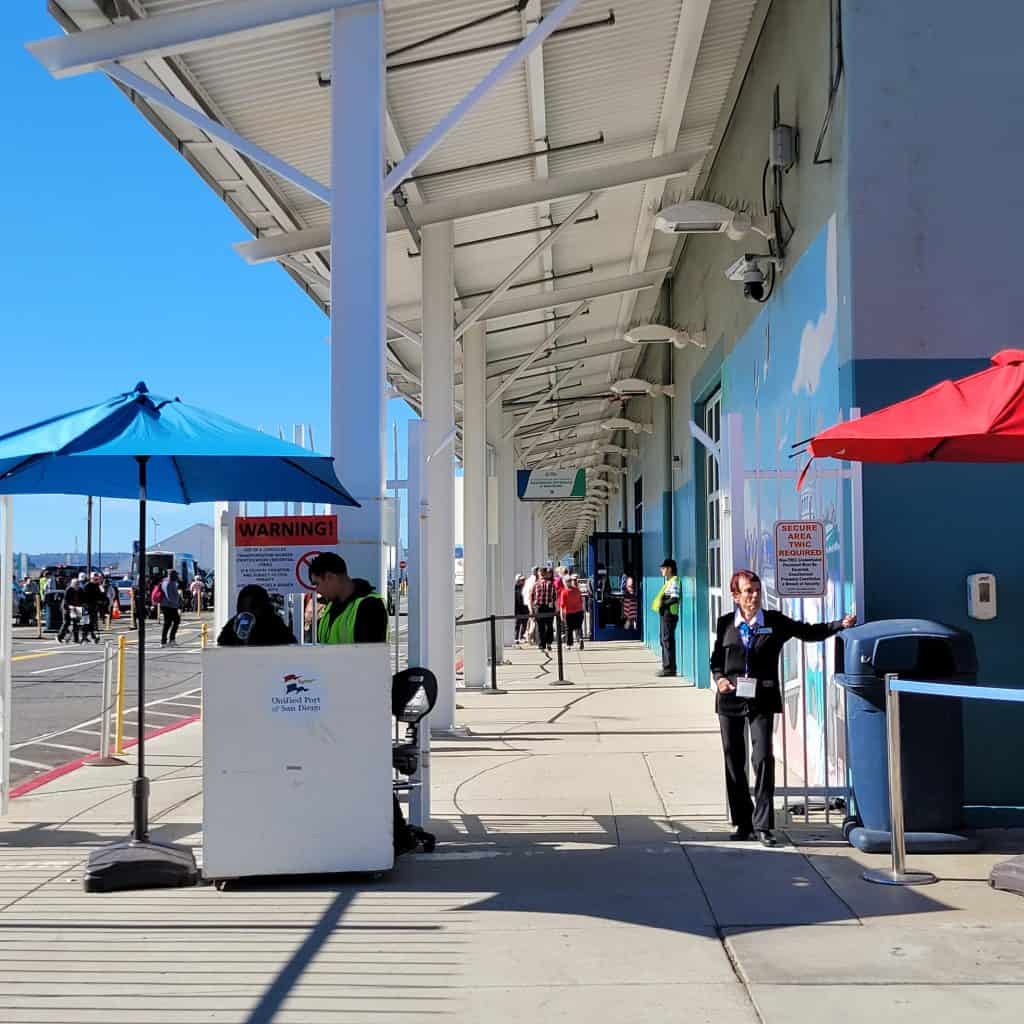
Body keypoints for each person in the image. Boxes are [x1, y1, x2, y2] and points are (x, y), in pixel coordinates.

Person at [712, 569, 856, 847]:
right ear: (735, 596)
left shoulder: (774, 622)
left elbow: (808, 632)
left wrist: (840, 624)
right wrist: (719, 679)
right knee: (733, 760)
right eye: (747, 592)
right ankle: (743, 822)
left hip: (761, 697)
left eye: (756, 590)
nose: (754, 596)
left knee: (763, 756)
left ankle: (763, 825)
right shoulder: (725, 623)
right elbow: (717, 658)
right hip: (730, 699)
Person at [307, 552, 416, 856]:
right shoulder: (329, 610)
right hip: (332, 704)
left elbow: (365, 658)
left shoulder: (368, 605)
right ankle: (363, 830)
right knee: (348, 772)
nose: (317, 591)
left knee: (371, 771)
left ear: (331, 576)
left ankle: (396, 835)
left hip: (362, 704)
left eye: (318, 584)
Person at [217, 584, 296, 646]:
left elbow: (289, 647)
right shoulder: (233, 624)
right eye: (243, 606)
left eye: (253, 606)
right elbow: (222, 646)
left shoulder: (275, 625)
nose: (248, 611)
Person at [651, 558, 680, 677]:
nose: (661, 570)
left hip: (669, 614)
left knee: (667, 641)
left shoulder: (674, 581)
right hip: (665, 614)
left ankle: (669, 669)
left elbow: (675, 598)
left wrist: (663, 604)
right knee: (663, 640)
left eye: (663, 568)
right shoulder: (668, 581)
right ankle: (666, 666)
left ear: (670, 569)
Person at [531, 567, 557, 652]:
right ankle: (549, 643)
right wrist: (555, 608)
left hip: (538, 607)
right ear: (545, 574)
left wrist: (532, 609)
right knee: (549, 625)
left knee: (540, 627)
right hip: (549, 607)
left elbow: (532, 597)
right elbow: (555, 597)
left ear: (539, 574)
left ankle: (541, 645)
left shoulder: (535, 584)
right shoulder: (551, 584)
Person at [558, 574, 586, 650]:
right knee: (578, 627)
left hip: (569, 612)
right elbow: (581, 601)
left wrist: (561, 614)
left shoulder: (564, 592)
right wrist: (583, 610)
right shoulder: (577, 590)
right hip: (579, 611)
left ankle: (569, 644)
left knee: (568, 629)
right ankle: (580, 639)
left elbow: (562, 605)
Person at [159, 569, 182, 647]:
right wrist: (177, 603)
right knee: (173, 621)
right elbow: (170, 596)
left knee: (168, 623)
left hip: (167, 605)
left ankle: (166, 641)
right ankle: (168, 640)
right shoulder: (170, 583)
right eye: (176, 575)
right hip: (170, 606)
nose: (177, 576)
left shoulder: (165, 581)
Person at [80, 572, 105, 644]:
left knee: (92, 623)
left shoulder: (97, 586)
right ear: (91, 578)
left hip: (94, 606)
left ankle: (91, 637)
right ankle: (86, 637)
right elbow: (83, 597)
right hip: (87, 607)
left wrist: (101, 600)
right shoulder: (87, 586)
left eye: (97, 579)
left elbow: (101, 595)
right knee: (87, 623)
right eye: (94, 579)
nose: (96, 580)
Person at [513, 574, 529, 645]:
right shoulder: (515, 588)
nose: (523, 581)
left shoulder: (526, 587)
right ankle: (516, 638)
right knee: (517, 624)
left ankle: (522, 636)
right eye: (521, 580)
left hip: (525, 608)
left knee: (525, 623)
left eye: (524, 580)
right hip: (518, 608)